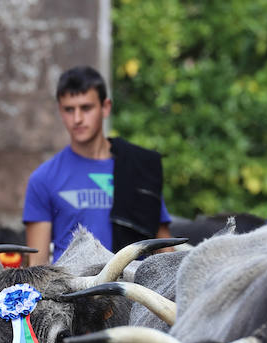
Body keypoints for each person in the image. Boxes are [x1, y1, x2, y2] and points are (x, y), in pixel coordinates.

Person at [22, 66, 172, 265]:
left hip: (134, 289)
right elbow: (37, 265)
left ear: (105, 107)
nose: (77, 119)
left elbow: (165, 251)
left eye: (86, 108)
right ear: (60, 111)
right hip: (73, 292)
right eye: (69, 109)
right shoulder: (43, 179)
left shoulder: (138, 168)